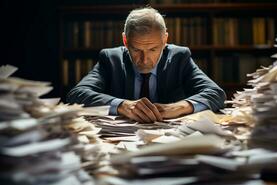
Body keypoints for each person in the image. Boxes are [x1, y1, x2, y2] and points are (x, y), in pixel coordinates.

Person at [66, 7, 226, 123]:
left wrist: (177, 108)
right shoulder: (110, 59)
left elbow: (216, 93)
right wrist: (122, 105)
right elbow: (77, 94)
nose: (144, 59)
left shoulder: (179, 57)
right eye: (136, 49)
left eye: (153, 49)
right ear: (125, 41)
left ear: (165, 40)